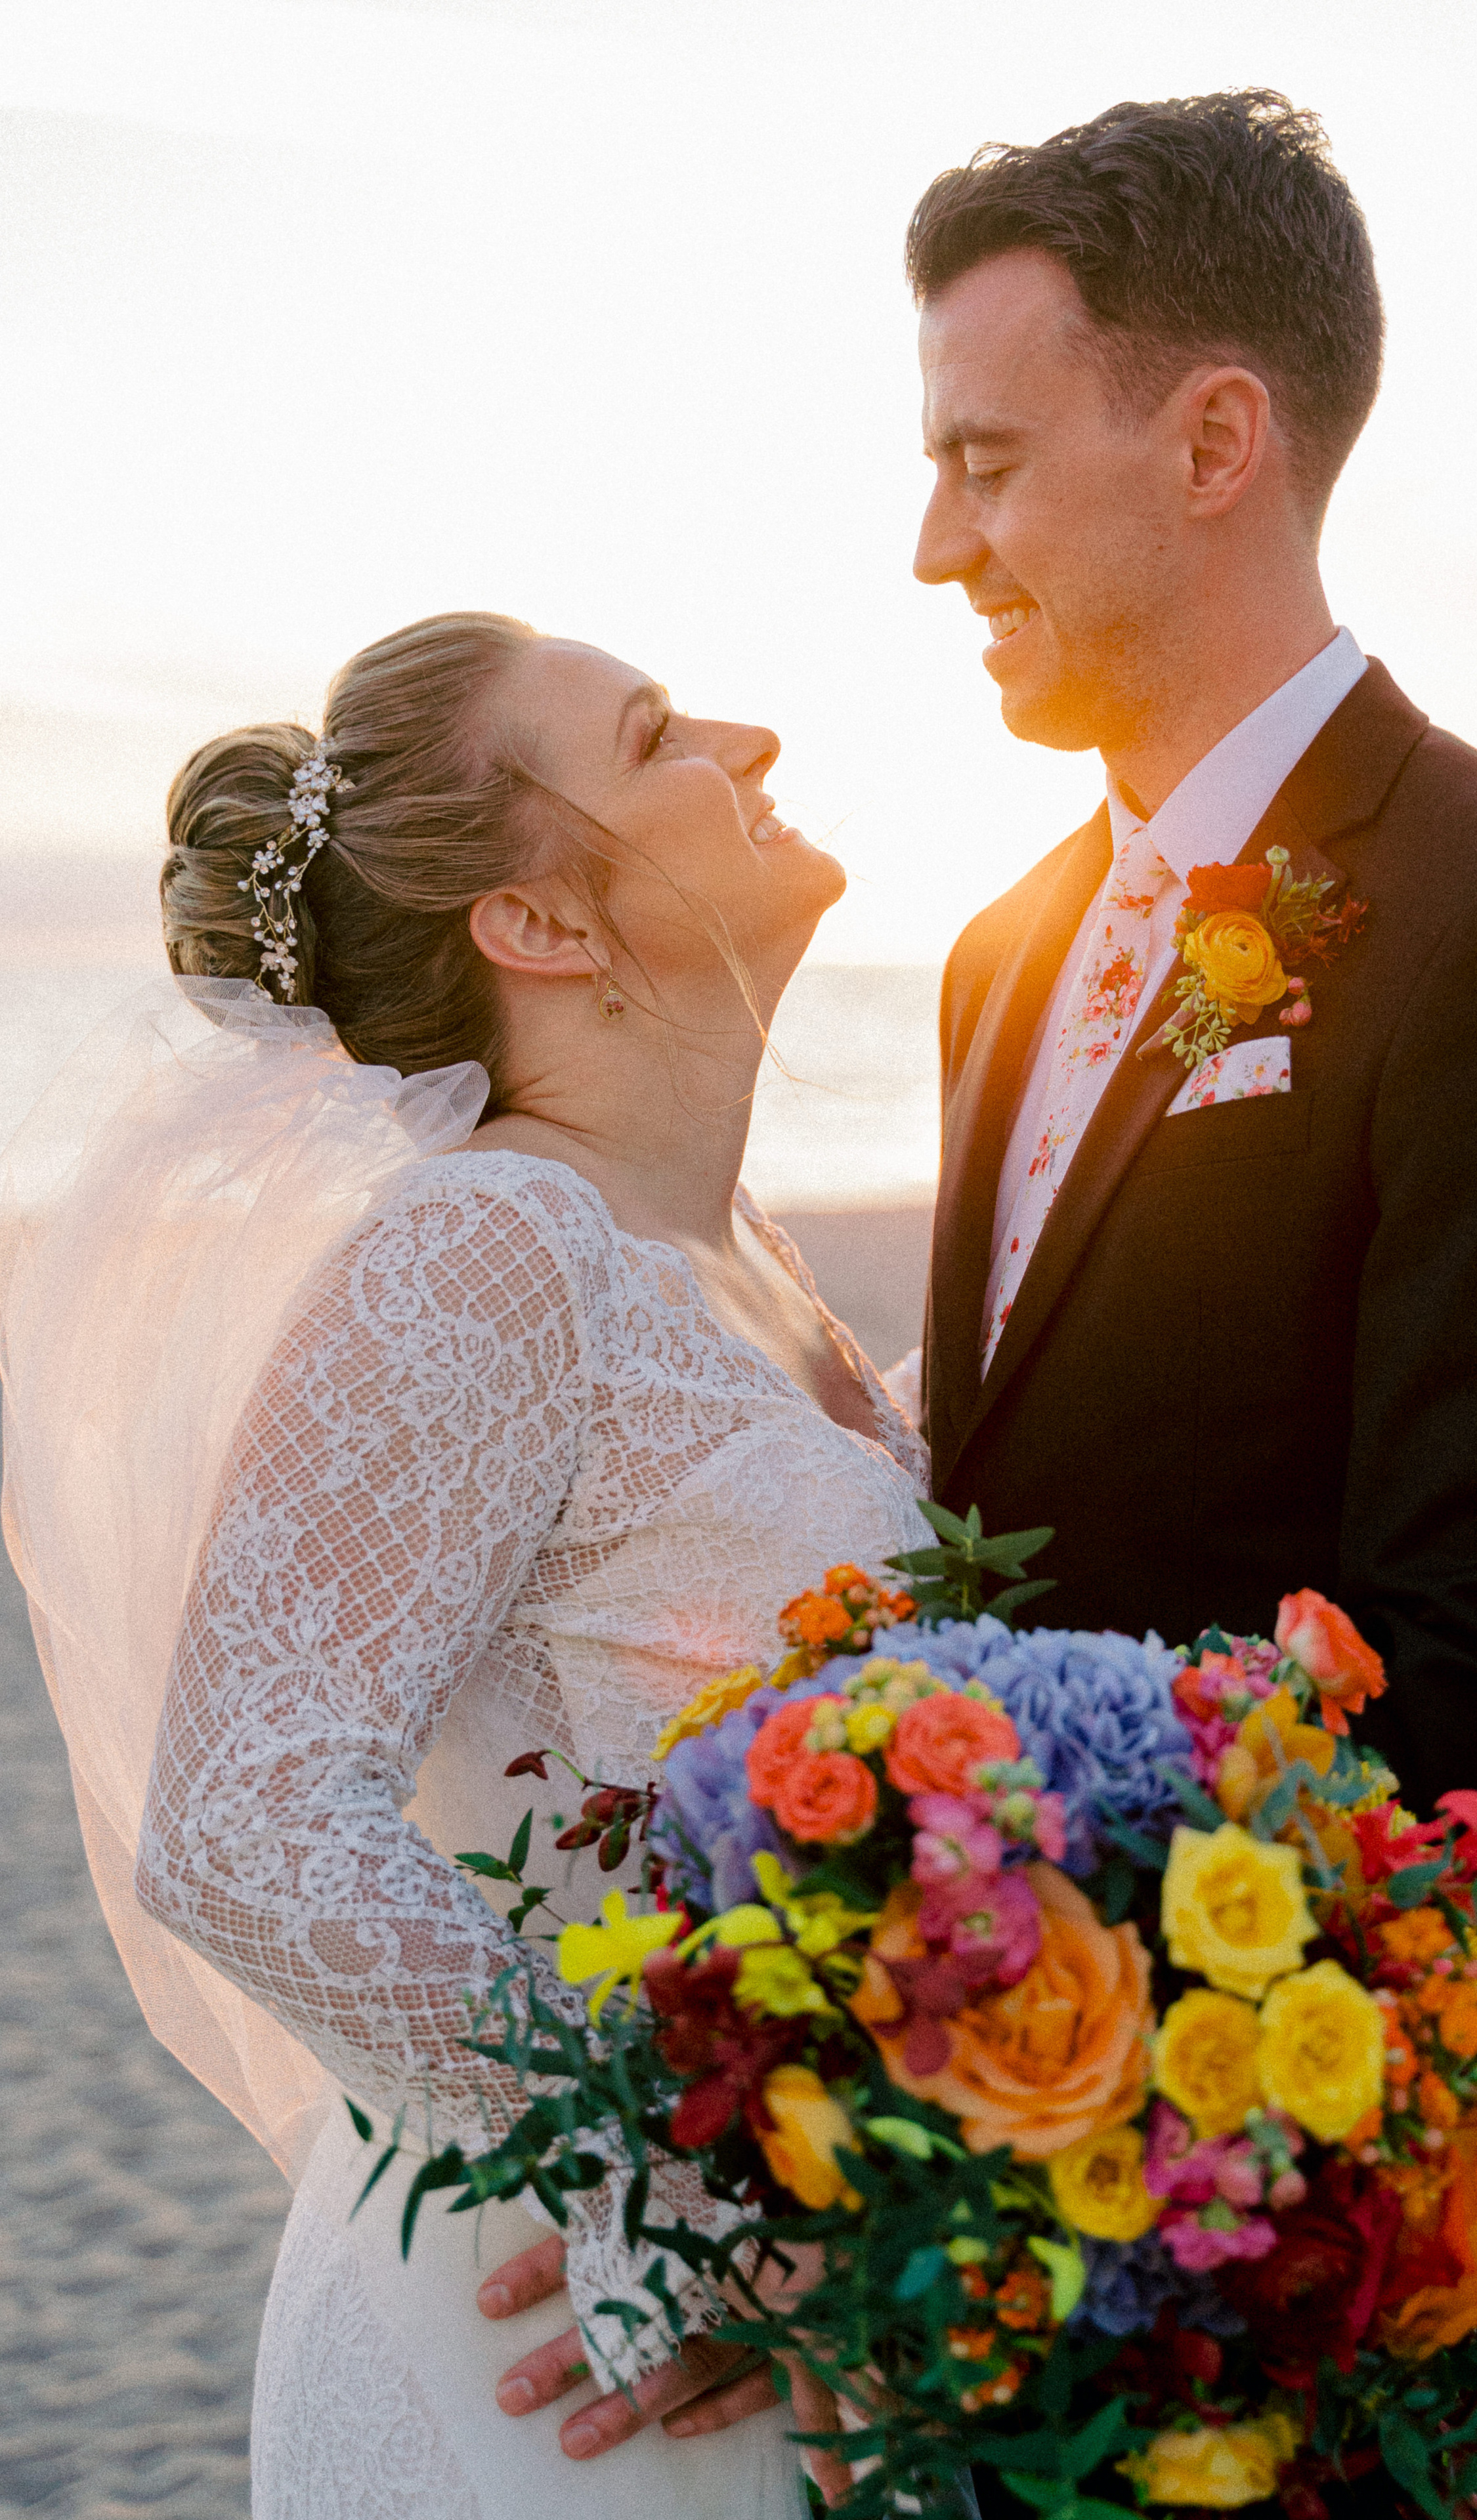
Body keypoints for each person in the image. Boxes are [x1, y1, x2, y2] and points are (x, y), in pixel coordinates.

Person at [902, 89, 1477, 2511]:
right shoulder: (999, 955)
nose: (938, 543)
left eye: (993, 461)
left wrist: (1118, 2095)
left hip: (1316, 2202)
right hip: (976, 2161)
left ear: (1217, 435)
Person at [0, 610, 923, 2517]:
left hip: (799, 2318)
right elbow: (245, 1818)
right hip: (553, 2351)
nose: (749, 737)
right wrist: (677, 2177)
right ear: (542, 927)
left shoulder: (740, 1260)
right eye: (662, 732)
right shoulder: (494, 1247)